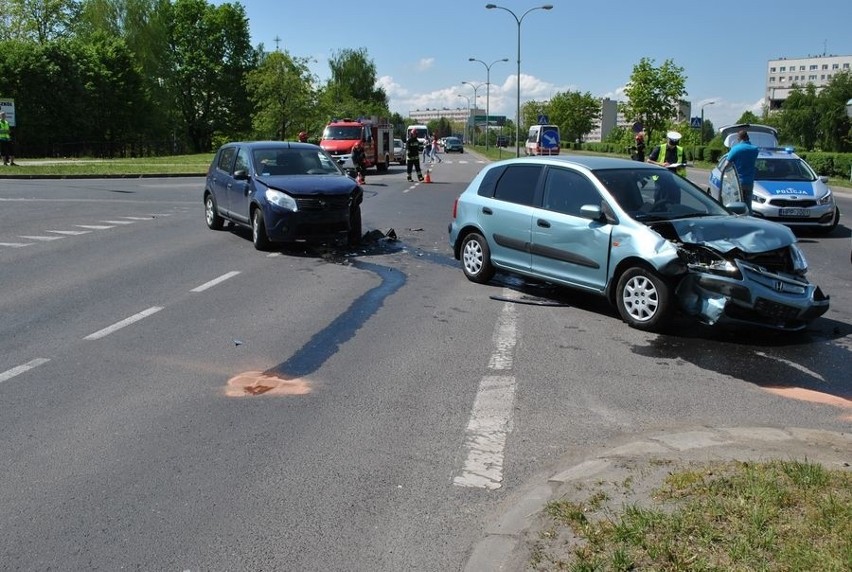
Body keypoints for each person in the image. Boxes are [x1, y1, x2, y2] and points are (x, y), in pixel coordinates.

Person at [724, 129, 760, 213]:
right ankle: (748, 220)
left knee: (736, 205)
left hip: (737, 182)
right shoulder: (755, 149)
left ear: (739, 138)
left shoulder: (735, 149)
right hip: (749, 182)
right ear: (747, 137)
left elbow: (726, 165)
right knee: (748, 205)